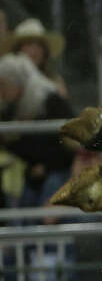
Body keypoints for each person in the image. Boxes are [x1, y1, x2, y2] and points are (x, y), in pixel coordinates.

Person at [0, 52, 75, 207]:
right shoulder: (11, 107)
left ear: (16, 84)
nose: (1, 91)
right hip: (32, 171)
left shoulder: (50, 101)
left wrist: (45, 166)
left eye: (3, 85)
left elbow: (68, 145)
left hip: (58, 169)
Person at [6, 17, 66, 96]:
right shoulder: (7, 78)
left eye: (39, 45)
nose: (35, 49)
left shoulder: (54, 79)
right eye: (29, 44)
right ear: (18, 49)